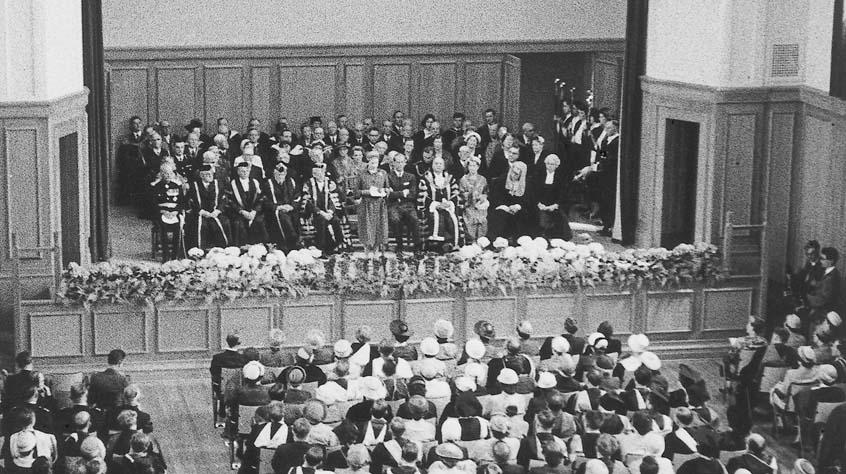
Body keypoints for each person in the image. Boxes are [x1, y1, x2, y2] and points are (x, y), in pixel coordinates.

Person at [419, 156, 464, 252]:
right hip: (432, 208)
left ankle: (452, 244)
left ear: (444, 166)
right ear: (432, 165)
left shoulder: (450, 178)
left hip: (447, 207)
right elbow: (422, 196)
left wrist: (449, 203)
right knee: (436, 217)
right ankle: (435, 246)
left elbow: (456, 194)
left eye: (440, 164)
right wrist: (435, 204)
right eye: (436, 163)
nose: (438, 165)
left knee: (453, 218)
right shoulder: (426, 179)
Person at [302, 163, 347, 256]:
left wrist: (330, 211)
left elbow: (333, 199)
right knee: (321, 221)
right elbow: (308, 202)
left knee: (335, 220)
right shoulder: (308, 184)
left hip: (328, 211)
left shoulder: (329, 183)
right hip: (315, 212)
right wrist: (321, 212)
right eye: (318, 173)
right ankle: (321, 248)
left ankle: (338, 244)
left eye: (322, 173)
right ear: (314, 174)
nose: (321, 175)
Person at [185, 164, 230, 250]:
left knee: (225, 223)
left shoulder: (218, 184)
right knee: (202, 225)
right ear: (202, 175)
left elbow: (223, 199)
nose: (211, 177)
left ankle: (222, 249)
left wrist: (218, 211)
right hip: (200, 214)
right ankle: (200, 250)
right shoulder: (194, 186)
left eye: (211, 174)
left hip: (215, 213)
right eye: (208, 175)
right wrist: (202, 212)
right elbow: (190, 202)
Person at [386, 153, 421, 257]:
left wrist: (396, 193)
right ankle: (399, 246)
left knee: (415, 219)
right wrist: (403, 193)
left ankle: (417, 248)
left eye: (402, 162)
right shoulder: (388, 176)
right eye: (398, 162)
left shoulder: (411, 177)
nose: (400, 164)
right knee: (395, 219)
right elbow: (389, 195)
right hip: (394, 205)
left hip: (408, 205)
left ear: (405, 163)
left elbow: (413, 194)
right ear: (393, 163)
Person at [357, 151, 390, 258]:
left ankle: (376, 250)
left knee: (378, 227)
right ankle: (366, 251)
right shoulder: (362, 174)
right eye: (372, 163)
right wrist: (368, 192)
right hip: (366, 204)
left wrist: (384, 191)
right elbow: (356, 191)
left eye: (376, 163)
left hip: (379, 205)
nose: (374, 165)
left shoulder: (383, 173)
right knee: (367, 227)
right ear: (368, 162)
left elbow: (388, 188)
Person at [262, 162, 302, 252]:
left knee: (294, 216)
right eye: (278, 173)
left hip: (290, 208)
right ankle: (289, 243)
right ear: (274, 173)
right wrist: (278, 207)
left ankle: (295, 242)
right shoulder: (268, 184)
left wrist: (291, 206)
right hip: (274, 211)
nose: (280, 175)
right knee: (282, 216)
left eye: (283, 174)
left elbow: (297, 197)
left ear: (286, 173)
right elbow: (265, 201)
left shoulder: (291, 182)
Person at [487, 158, 528, 243]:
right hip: (504, 206)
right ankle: (495, 240)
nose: (513, 175)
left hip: (518, 208)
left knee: (523, 215)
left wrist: (517, 206)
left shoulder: (527, 183)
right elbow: (496, 196)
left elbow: (527, 199)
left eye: (516, 174)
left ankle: (518, 241)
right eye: (512, 172)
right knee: (499, 215)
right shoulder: (502, 179)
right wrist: (504, 206)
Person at [532, 155, 572, 241]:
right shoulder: (538, 174)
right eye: (548, 163)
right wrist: (538, 203)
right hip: (539, 203)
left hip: (553, 204)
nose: (550, 166)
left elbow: (562, 194)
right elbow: (534, 191)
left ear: (556, 165)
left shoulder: (561, 177)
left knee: (561, 218)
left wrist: (554, 205)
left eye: (552, 164)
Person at [459, 156, 489, 242]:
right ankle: (471, 241)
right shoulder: (463, 179)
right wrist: (470, 195)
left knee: (482, 220)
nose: (472, 168)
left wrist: (482, 197)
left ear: (478, 167)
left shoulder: (483, 179)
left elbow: (486, 192)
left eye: (474, 166)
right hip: (469, 205)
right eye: (470, 166)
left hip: (480, 205)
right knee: (471, 219)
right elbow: (461, 193)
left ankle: (481, 241)